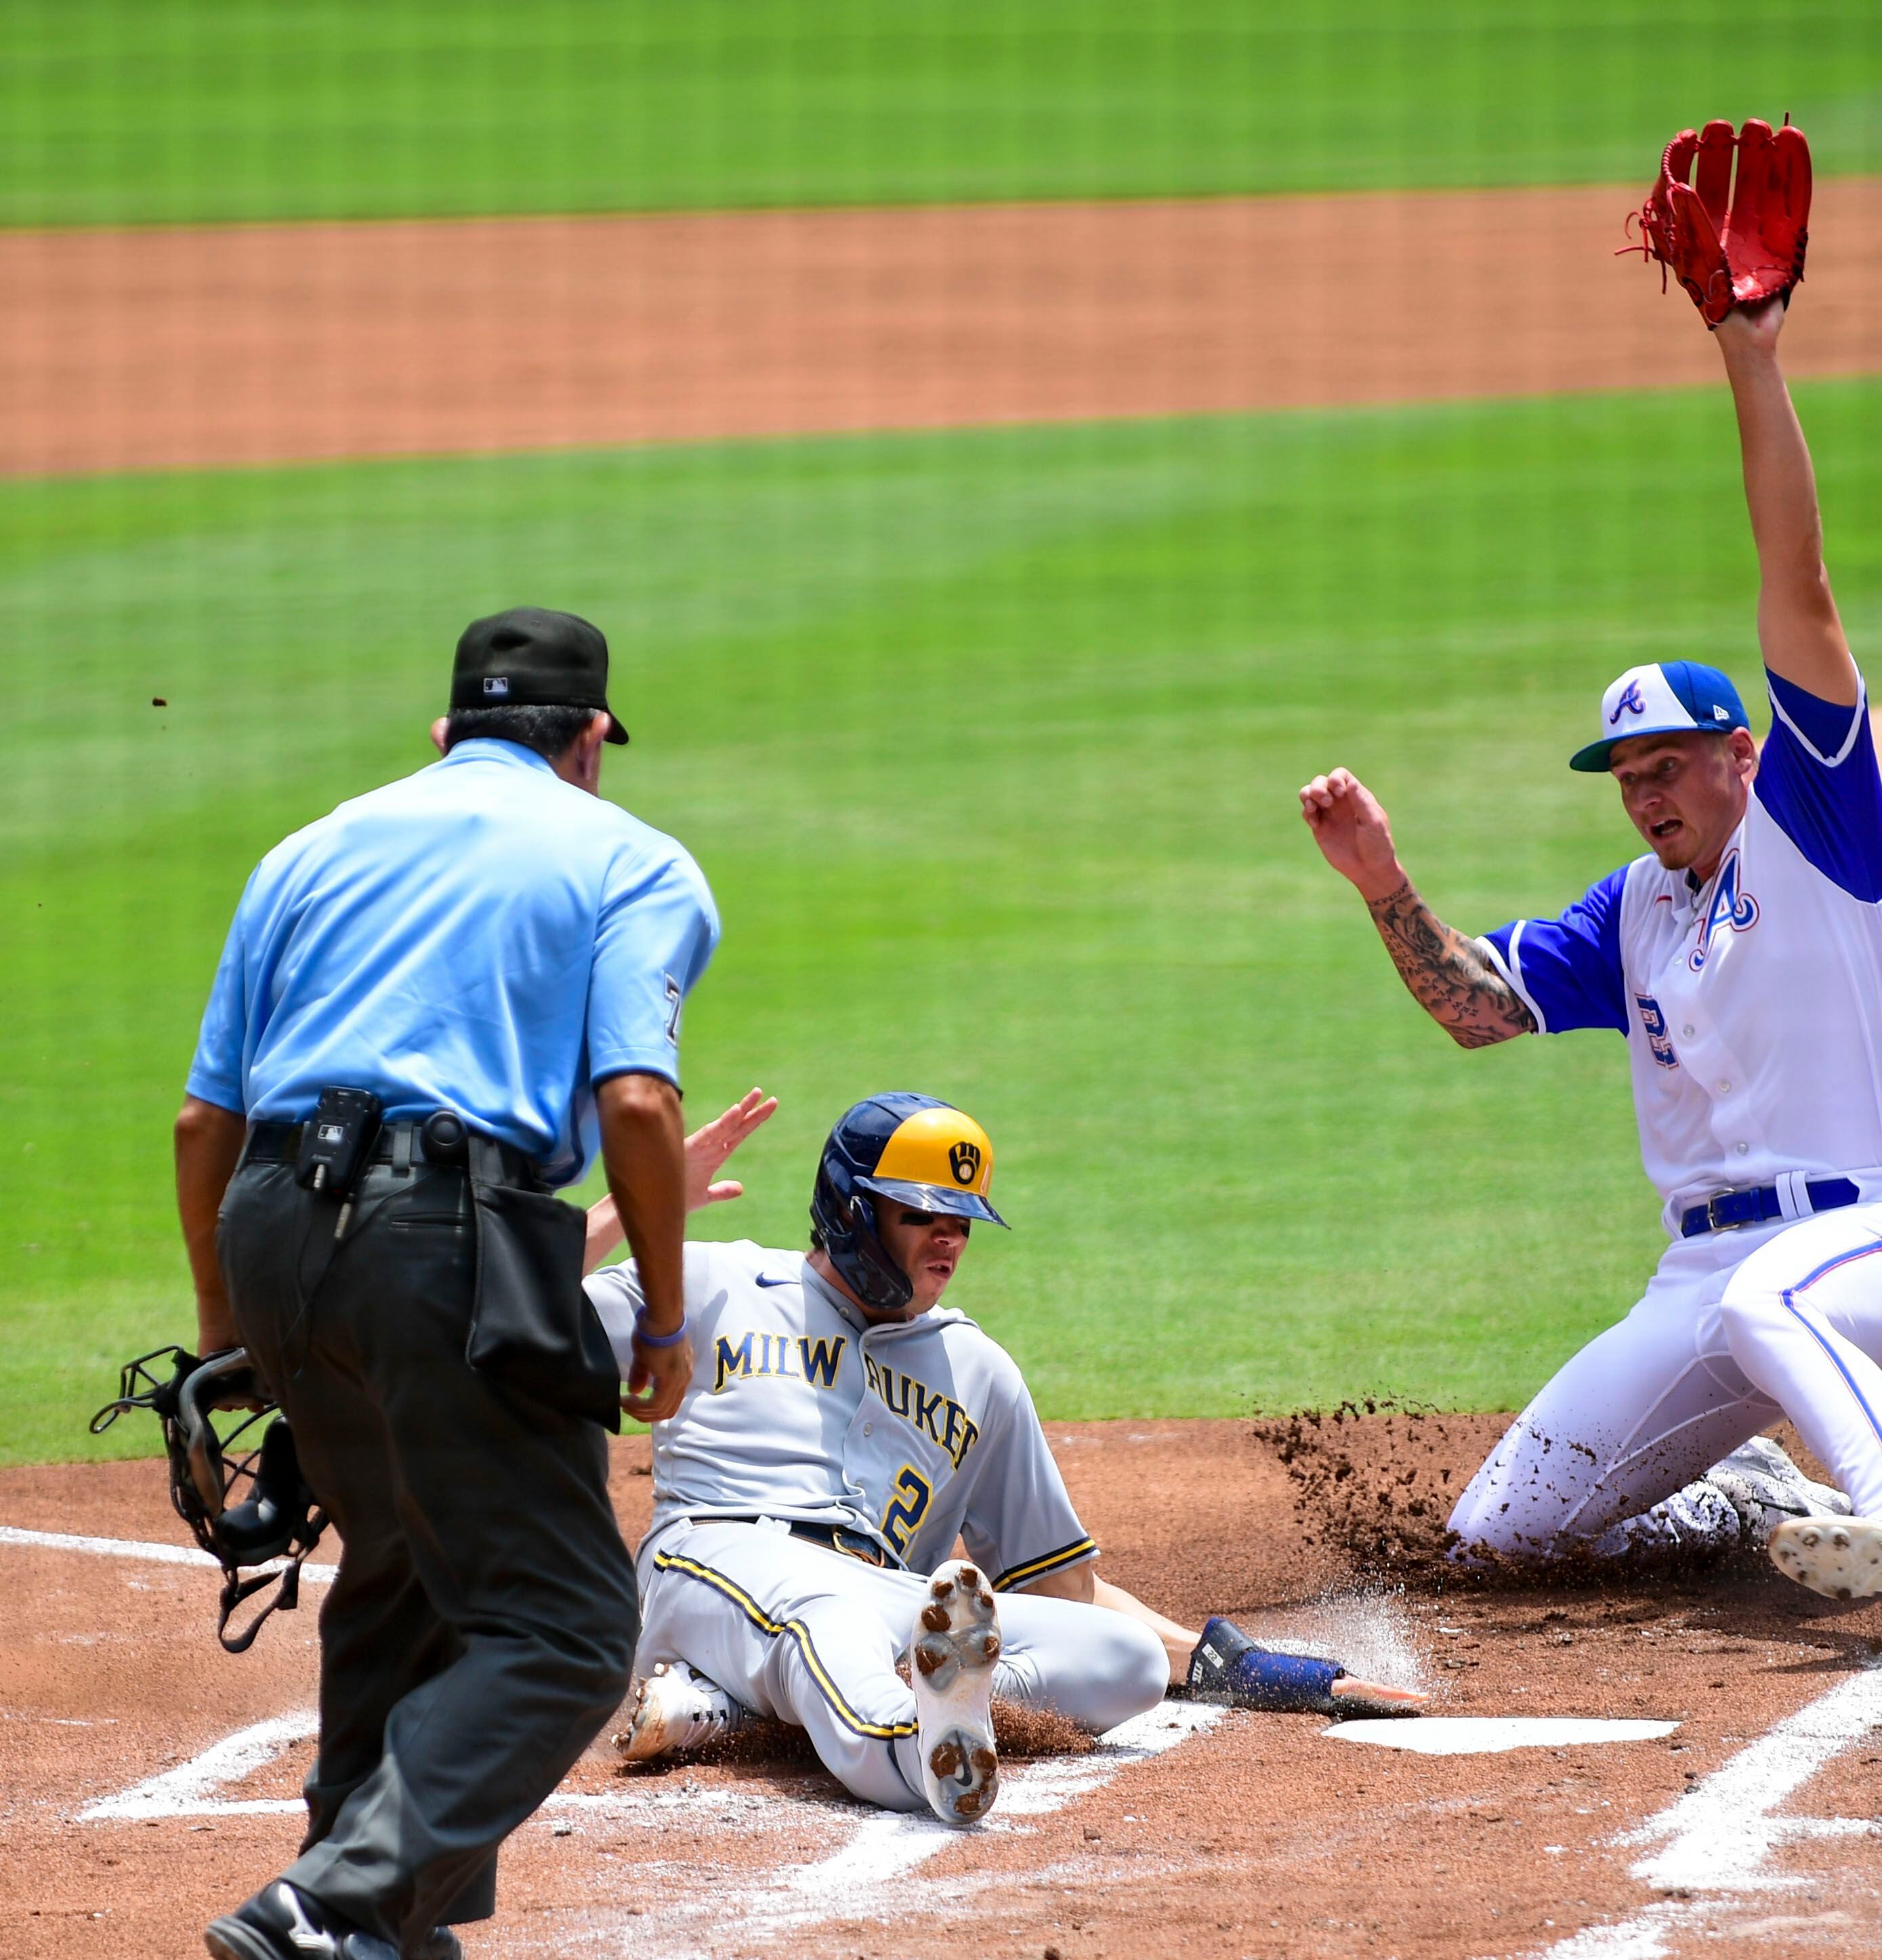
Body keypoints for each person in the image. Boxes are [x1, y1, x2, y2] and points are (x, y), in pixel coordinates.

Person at [1297, 285, 1882, 1630]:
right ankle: (1747, 1494)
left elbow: (1796, 583)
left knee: (1763, 1302)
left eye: (1666, 765)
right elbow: (1474, 1009)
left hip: (1860, 1242)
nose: (1643, 794)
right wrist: (1382, 884)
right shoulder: (1629, 909)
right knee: (1494, 1538)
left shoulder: (1816, 825)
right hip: (1698, 1288)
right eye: (1624, 775)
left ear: (1741, 756)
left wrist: (1748, 354)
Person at [176, 608, 720, 1960]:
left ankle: (377, 1930)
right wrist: (660, 1312)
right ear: (590, 741)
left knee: (407, 1571)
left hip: (269, 1230)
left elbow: (205, 1125)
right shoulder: (633, 860)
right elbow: (639, 1103)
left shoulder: (303, 851)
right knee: (572, 1624)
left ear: (445, 733)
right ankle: (333, 1901)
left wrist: (229, 1335)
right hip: (437, 1234)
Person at [584, 1089, 1421, 1823]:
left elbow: (1064, 1587)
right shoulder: (710, 1281)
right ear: (849, 1208)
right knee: (819, 1614)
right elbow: (501, 1312)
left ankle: (793, 1709)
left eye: (961, 1225)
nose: (947, 1245)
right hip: (719, 1553)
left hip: (892, 1595)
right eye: (920, 1218)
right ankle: (921, 1754)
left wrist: (1236, 1664)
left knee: (1119, 1660)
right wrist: (635, 1207)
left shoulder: (978, 1369)